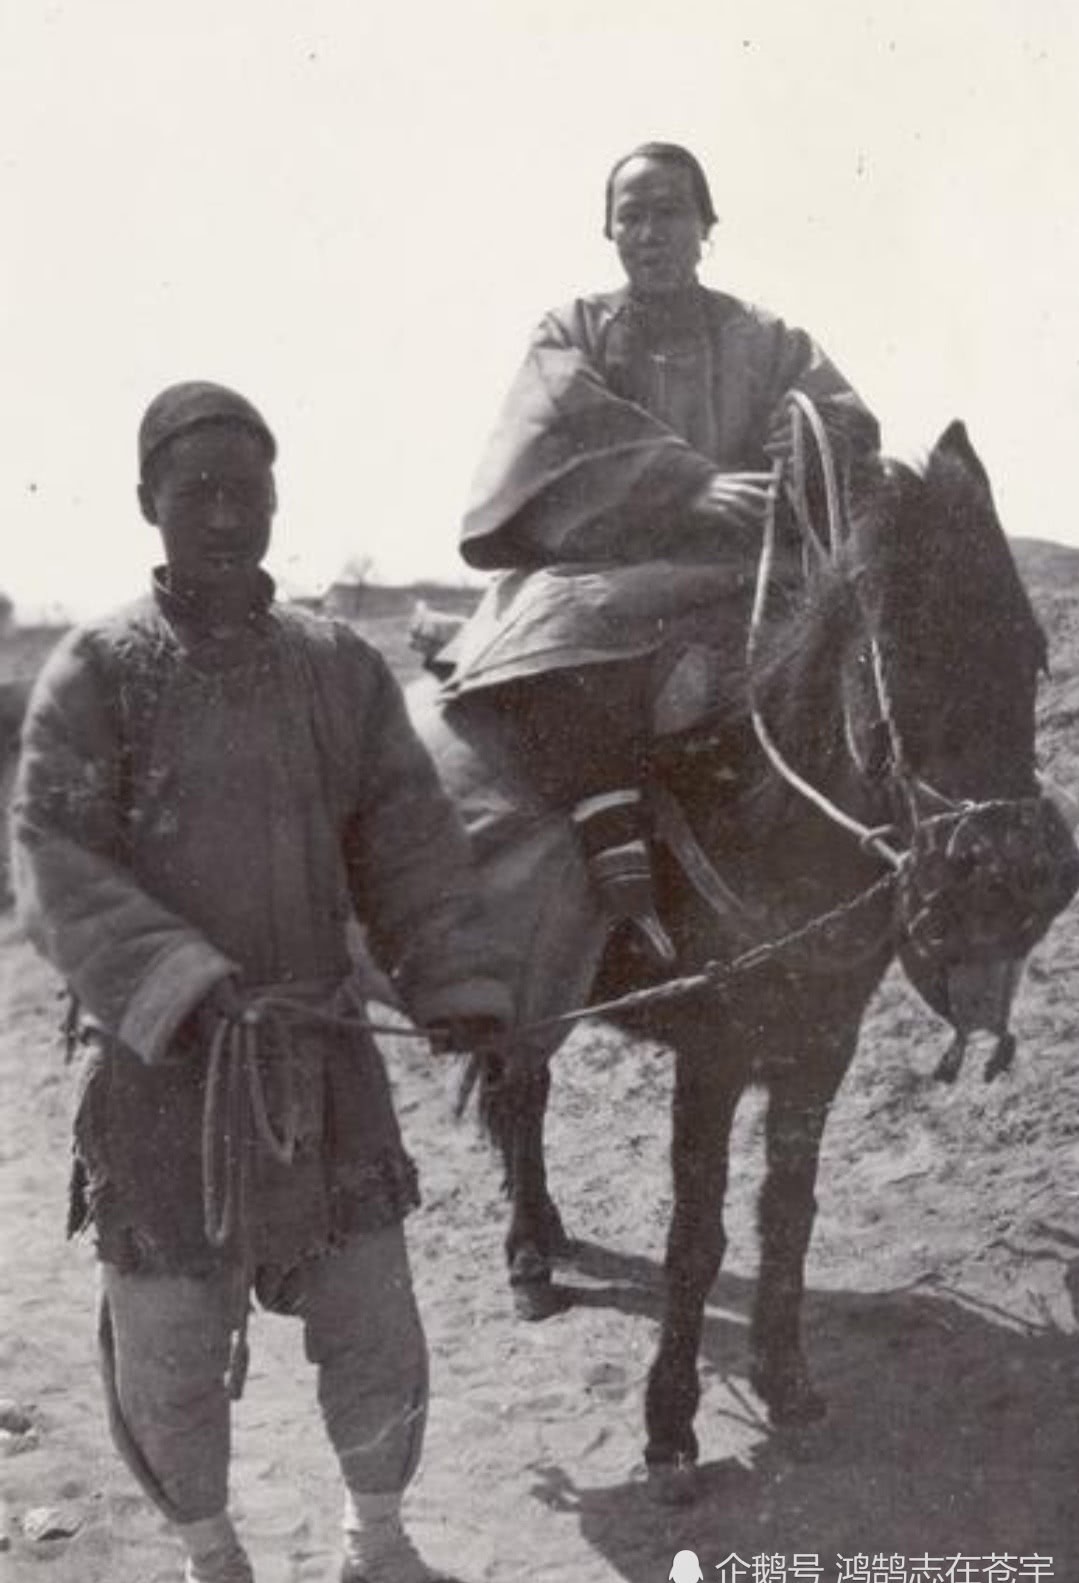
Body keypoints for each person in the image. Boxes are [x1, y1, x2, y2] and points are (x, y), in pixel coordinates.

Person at [11, 381, 515, 1583]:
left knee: (374, 1318)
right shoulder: (96, 671)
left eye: (249, 489)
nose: (226, 514)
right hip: (162, 1071)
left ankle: (376, 1544)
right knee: (170, 1343)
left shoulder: (337, 666)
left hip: (322, 1057)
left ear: (278, 498)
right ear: (149, 504)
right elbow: (53, 854)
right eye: (198, 491)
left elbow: (406, 835)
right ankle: (209, 1554)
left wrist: (451, 976)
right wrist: (180, 982)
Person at [442, 142, 879, 963]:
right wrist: (683, 484)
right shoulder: (569, 330)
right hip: (606, 573)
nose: (651, 232)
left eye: (670, 211)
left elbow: (842, 413)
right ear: (607, 231)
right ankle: (608, 827)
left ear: (705, 226)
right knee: (547, 638)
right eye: (631, 215)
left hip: (746, 573)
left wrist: (818, 431)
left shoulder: (767, 336)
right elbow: (558, 422)